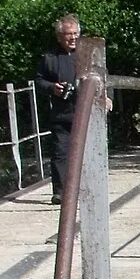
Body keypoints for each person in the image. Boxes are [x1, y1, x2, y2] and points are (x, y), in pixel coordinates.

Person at [34, 13, 82, 203]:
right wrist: (52, 88)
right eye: (68, 34)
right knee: (60, 152)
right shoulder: (49, 58)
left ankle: (86, 188)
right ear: (59, 36)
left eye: (75, 33)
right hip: (61, 114)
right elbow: (38, 81)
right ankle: (60, 192)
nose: (72, 38)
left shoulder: (87, 54)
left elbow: (104, 78)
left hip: (85, 113)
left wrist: (107, 98)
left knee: (86, 153)